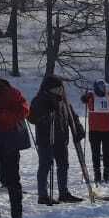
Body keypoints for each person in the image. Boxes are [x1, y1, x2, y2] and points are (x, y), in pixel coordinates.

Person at [28, 76, 84, 205]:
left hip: (61, 138)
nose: (60, 90)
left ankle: (63, 193)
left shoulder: (64, 100)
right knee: (45, 166)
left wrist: (78, 129)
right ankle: (43, 195)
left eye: (61, 88)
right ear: (50, 88)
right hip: (46, 139)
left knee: (63, 165)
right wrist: (45, 116)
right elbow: (32, 118)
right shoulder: (40, 100)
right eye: (57, 88)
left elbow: (72, 116)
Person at [0, 77, 30, 218]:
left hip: (8, 140)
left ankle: (16, 214)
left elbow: (24, 110)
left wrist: (0, 116)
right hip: (2, 139)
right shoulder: (12, 92)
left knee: (12, 179)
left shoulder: (12, 93)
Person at [81, 80, 109, 183]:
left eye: (104, 87)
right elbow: (84, 99)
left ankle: (106, 175)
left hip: (108, 130)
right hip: (95, 130)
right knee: (95, 154)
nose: (103, 89)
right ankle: (97, 176)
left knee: (107, 154)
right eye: (101, 87)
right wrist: (85, 97)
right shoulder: (92, 96)